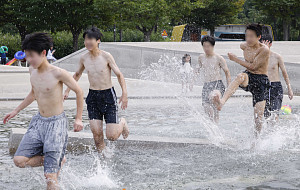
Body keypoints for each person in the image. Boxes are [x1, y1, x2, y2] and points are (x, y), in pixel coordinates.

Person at [2, 33, 84, 190]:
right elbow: (33, 93)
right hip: (38, 122)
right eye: (27, 56)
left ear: (44, 53)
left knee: (50, 179)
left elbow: (79, 92)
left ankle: (55, 161)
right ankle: (57, 159)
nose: (29, 60)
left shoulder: (58, 73)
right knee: (19, 160)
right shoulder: (31, 71)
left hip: (56, 125)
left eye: (31, 56)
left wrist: (78, 118)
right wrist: (16, 110)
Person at [64, 27, 129, 153]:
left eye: (90, 39)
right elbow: (76, 75)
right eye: (85, 40)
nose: (87, 42)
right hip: (93, 96)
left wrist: (124, 93)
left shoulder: (106, 56)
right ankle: (103, 161)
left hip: (108, 95)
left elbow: (119, 74)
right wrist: (67, 90)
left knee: (112, 136)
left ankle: (122, 123)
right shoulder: (84, 58)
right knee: (97, 135)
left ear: (98, 40)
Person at [212, 24, 270, 139]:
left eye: (251, 36)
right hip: (249, 76)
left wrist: (235, 59)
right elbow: (250, 70)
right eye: (246, 36)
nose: (248, 39)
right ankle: (222, 102)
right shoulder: (244, 46)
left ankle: (256, 141)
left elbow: (254, 67)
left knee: (258, 118)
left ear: (259, 37)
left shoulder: (264, 50)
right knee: (240, 76)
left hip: (261, 81)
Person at [197, 35, 231, 124]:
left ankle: (218, 103)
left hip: (217, 84)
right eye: (204, 46)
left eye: (208, 46)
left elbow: (227, 72)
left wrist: (229, 87)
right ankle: (213, 127)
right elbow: (197, 69)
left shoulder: (219, 58)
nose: (206, 48)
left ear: (212, 46)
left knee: (214, 96)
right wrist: (191, 81)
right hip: (206, 85)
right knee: (206, 108)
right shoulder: (201, 57)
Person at [260, 36, 293, 121]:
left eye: (265, 44)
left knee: (275, 113)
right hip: (264, 87)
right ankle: (268, 132)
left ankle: (275, 132)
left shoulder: (277, 57)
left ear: (270, 44)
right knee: (266, 115)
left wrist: (289, 88)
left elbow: (284, 73)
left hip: (276, 87)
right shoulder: (259, 58)